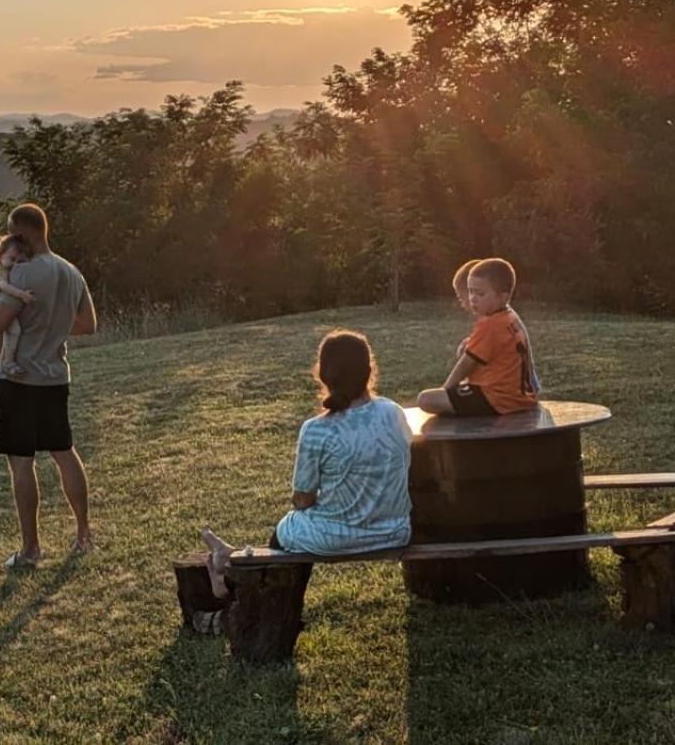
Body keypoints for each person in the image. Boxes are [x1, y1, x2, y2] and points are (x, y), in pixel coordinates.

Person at [200, 329, 411, 602]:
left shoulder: (317, 429)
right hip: (394, 531)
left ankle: (230, 582)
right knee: (297, 530)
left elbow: (302, 500)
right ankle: (230, 557)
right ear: (370, 370)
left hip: (338, 539)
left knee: (286, 530)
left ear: (322, 374)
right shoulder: (394, 412)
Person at [0, 203, 98, 569]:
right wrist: (53, 328)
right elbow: (87, 324)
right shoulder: (71, 271)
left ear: (25, 233)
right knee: (64, 451)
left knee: (21, 462)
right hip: (55, 375)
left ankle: (31, 549)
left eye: (13, 233)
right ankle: (83, 534)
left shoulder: (21, 273)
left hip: (19, 379)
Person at [418, 257, 538, 416]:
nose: (472, 298)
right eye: (470, 292)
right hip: (518, 397)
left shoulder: (490, 325)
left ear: (503, 297)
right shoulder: (509, 318)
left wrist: (446, 390)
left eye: (480, 293)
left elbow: (466, 364)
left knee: (425, 399)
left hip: (497, 399)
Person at [452, 258, 539, 397]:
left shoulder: (495, 321)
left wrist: (447, 388)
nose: (463, 303)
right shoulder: (503, 314)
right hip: (526, 385)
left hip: (515, 388)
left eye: (461, 297)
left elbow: (469, 362)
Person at [0, 234, 36, 376]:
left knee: (0, 336)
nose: (14, 264)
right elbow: (4, 287)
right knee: (14, 331)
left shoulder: (3, 267)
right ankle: (8, 363)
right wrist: (22, 294)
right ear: (0, 254)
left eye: (18, 261)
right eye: (11, 259)